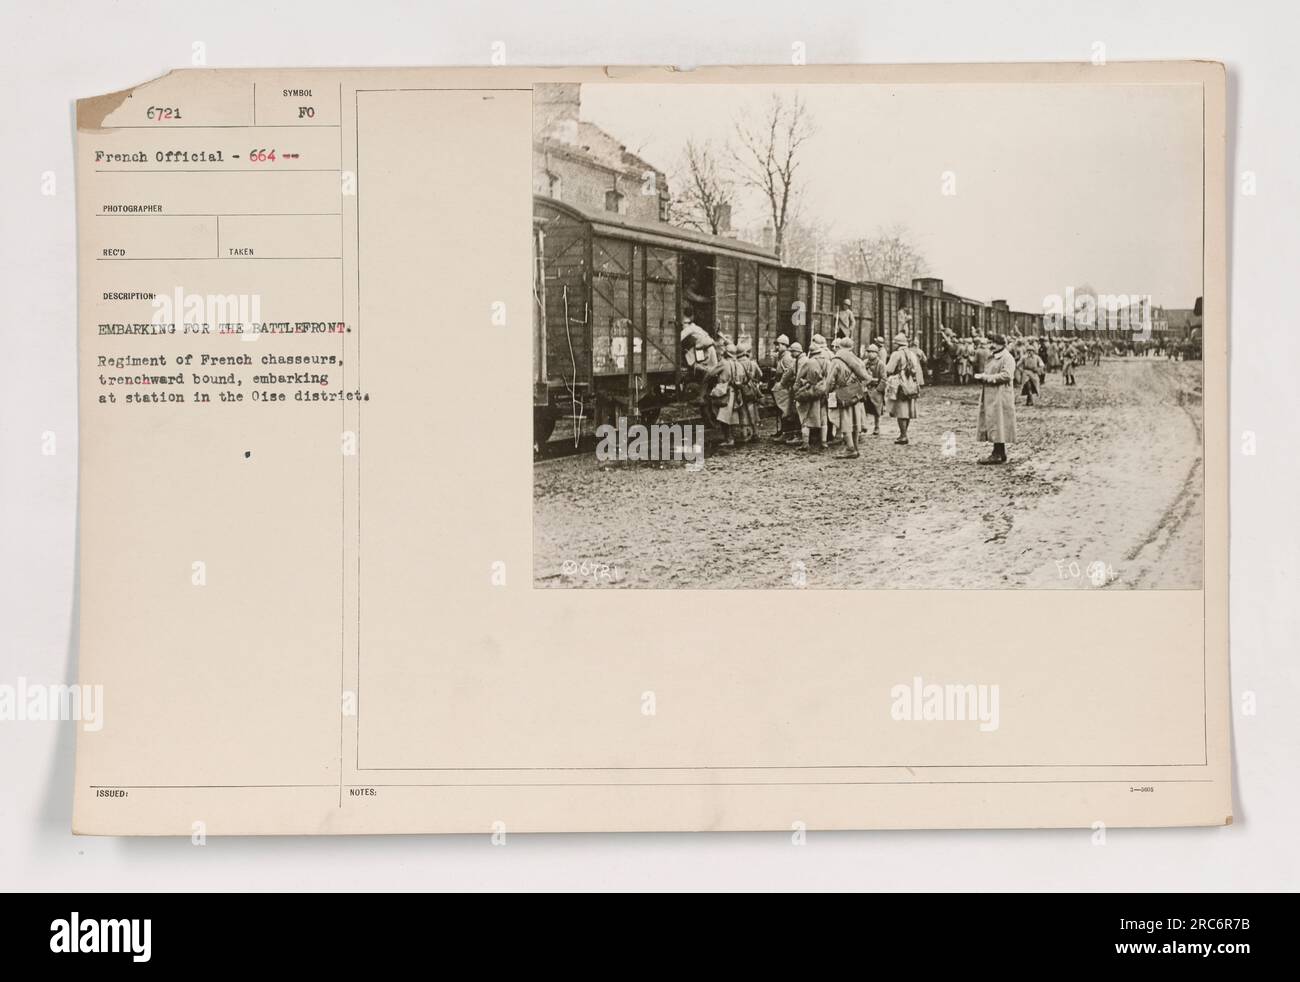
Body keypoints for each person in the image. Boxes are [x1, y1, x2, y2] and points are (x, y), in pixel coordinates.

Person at [825, 337, 872, 459]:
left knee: (844, 421)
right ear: (851, 347)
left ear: (839, 346)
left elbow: (830, 381)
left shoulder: (836, 360)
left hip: (842, 392)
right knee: (855, 421)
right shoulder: (857, 360)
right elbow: (866, 378)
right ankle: (855, 447)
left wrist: (827, 392)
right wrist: (858, 388)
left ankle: (850, 449)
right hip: (856, 392)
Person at [975, 333, 1017, 464]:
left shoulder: (1007, 358)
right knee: (995, 422)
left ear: (1001, 344)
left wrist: (987, 378)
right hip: (992, 395)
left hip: (1000, 395)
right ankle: (999, 452)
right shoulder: (993, 356)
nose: (991, 345)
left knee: (999, 423)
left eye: (993, 343)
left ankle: (997, 453)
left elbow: (1007, 375)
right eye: (990, 342)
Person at [703, 339, 746, 448]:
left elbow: (711, 373)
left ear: (726, 353)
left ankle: (729, 439)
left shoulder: (723, 363)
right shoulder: (739, 364)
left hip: (724, 391)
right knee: (733, 415)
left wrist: (705, 380)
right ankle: (736, 436)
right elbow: (743, 378)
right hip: (736, 392)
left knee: (723, 416)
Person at [790, 338, 830, 451]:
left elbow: (798, 379)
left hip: (810, 393)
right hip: (823, 393)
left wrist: (797, 390)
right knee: (823, 419)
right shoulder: (827, 362)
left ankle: (805, 443)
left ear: (811, 352)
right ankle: (824, 442)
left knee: (805, 418)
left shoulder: (809, 362)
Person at [885, 333, 921, 445]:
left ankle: (903, 435)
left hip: (900, 384)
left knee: (901, 410)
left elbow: (889, 369)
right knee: (908, 409)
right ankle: (904, 434)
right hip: (911, 383)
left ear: (897, 344)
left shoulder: (896, 354)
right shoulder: (912, 354)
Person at [769, 334, 797, 439]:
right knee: (781, 410)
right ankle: (782, 431)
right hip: (781, 387)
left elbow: (790, 373)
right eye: (776, 345)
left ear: (785, 345)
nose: (777, 347)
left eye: (779, 345)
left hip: (785, 388)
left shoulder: (787, 357)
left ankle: (786, 433)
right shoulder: (781, 356)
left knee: (786, 411)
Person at [737, 341, 763, 441]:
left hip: (741, 390)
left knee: (743, 411)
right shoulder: (752, 363)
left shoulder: (737, 363)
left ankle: (745, 434)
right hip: (751, 390)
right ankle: (756, 432)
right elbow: (760, 374)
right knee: (753, 410)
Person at [861, 341, 886, 436]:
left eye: (873, 352)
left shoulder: (881, 364)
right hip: (866, 388)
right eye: (869, 352)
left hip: (876, 388)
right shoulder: (864, 363)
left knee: (877, 409)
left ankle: (877, 426)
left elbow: (884, 378)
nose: (871, 354)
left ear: (877, 353)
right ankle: (864, 425)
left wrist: (878, 389)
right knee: (864, 407)